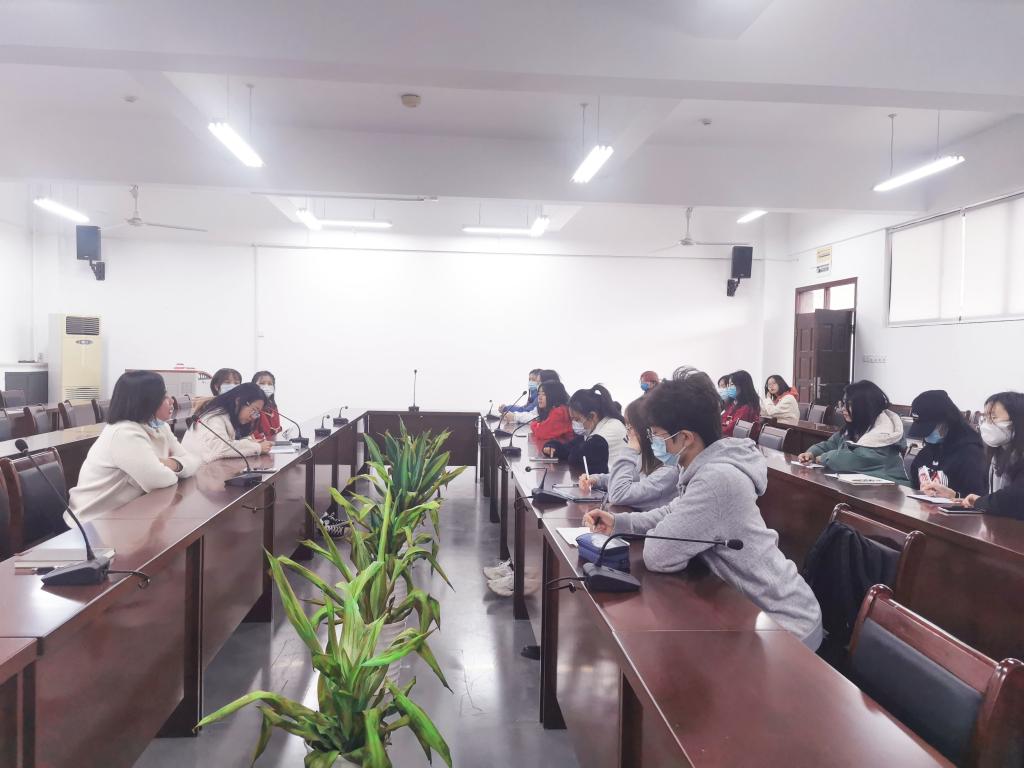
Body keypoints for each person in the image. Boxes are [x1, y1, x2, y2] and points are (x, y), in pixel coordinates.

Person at [582, 377, 823, 649]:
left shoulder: (716, 479)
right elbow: (674, 511)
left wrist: (647, 530)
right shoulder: (704, 466)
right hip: (751, 610)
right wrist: (619, 522)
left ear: (686, 437)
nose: (654, 442)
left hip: (785, 624)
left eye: (658, 435)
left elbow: (658, 555)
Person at [69, 371, 200, 523]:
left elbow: (194, 461)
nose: (171, 401)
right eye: (164, 396)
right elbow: (159, 480)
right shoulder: (123, 433)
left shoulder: (160, 427)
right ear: (146, 401)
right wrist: (173, 468)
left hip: (125, 513)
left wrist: (169, 463)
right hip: (93, 522)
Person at [797, 380, 909, 485]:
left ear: (865, 407)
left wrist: (824, 458)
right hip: (862, 487)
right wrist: (812, 453)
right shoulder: (856, 426)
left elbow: (854, 459)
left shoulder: (884, 433)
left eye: (849, 404)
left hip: (889, 489)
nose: (843, 409)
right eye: (843, 403)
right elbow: (831, 444)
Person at [578, 396, 679, 510]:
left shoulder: (669, 471)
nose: (628, 432)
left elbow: (618, 494)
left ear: (645, 430)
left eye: (630, 427)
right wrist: (597, 480)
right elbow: (627, 478)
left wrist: (630, 450)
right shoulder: (647, 459)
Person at [907, 390, 987, 500]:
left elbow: (978, 500)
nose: (926, 436)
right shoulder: (927, 452)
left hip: (955, 510)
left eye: (929, 429)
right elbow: (914, 485)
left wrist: (955, 496)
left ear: (946, 422)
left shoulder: (971, 454)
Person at [958, 392, 1024, 519]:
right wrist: (956, 495)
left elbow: (1013, 498)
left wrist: (980, 502)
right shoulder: (996, 456)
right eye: (986, 418)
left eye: (993, 417)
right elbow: (989, 496)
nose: (988, 424)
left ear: (1018, 420)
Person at [182, 382, 272, 462]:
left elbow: (230, 442)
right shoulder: (214, 417)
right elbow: (220, 448)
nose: (254, 417)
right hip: (196, 471)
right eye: (254, 410)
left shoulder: (230, 417)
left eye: (257, 413)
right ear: (238, 401)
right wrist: (257, 448)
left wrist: (251, 443)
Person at [546, 385, 626, 474]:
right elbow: (569, 448)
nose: (574, 423)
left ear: (592, 416)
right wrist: (552, 446)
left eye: (577, 419)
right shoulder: (597, 425)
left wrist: (564, 451)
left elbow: (576, 458)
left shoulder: (607, 431)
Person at [529, 380, 574, 444]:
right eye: (539, 394)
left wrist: (533, 424)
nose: (539, 397)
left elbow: (541, 433)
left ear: (554, 395)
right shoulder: (556, 409)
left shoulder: (560, 412)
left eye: (544, 394)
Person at [721, 370, 761, 437]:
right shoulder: (734, 403)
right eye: (728, 385)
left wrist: (716, 432)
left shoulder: (746, 407)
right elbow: (723, 420)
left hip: (738, 440)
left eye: (732, 384)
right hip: (729, 438)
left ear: (742, 386)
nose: (729, 388)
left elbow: (732, 429)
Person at [250, 370, 283, 442]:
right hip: (258, 445)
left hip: (273, 444)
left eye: (270, 384)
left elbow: (277, 429)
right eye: (262, 383)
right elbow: (251, 433)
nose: (266, 386)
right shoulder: (250, 407)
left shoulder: (272, 406)